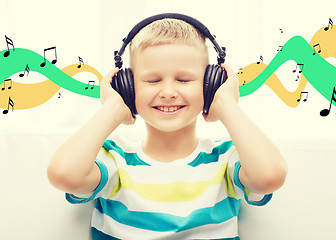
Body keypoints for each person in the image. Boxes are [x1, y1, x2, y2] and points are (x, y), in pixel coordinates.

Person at [47, 16, 287, 240]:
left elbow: (269, 177)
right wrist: (112, 108)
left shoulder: (225, 160)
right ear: (127, 87)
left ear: (209, 86)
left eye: (184, 80)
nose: (169, 92)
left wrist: (226, 104)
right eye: (152, 81)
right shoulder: (116, 162)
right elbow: (64, 174)